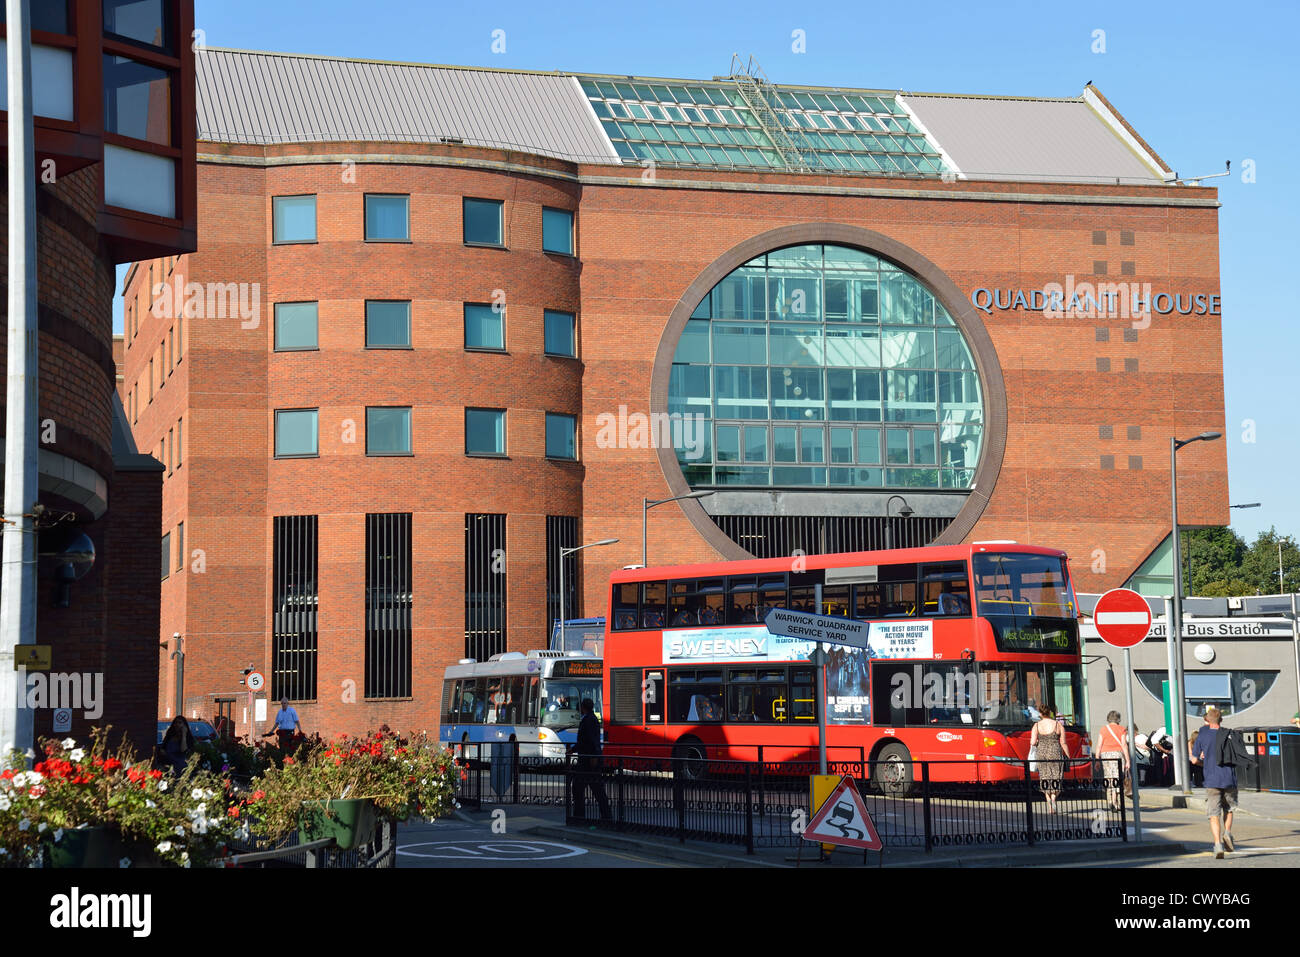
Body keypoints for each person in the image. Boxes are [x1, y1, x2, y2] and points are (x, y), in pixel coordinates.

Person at [1190, 708, 1236, 858]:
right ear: (1221, 720)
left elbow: (1194, 760)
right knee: (1229, 809)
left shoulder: (1202, 736)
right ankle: (1227, 832)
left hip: (1211, 779)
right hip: (1229, 778)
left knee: (1213, 813)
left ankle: (1217, 844)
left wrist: (1205, 764)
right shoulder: (1229, 734)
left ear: (1207, 720)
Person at [568, 698, 611, 822]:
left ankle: (580, 816)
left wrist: (592, 757)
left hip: (588, 761)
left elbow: (589, 741)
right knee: (593, 789)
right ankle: (605, 816)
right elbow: (588, 740)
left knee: (582, 788)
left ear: (583, 707)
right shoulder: (591, 719)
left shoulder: (588, 720)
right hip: (588, 759)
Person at [1031, 707, 1069, 814]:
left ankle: (1050, 806)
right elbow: (1063, 743)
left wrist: (1040, 742)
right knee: (1056, 778)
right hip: (1055, 753)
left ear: (1040, 714)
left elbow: (1033, 742)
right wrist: (1068, 756)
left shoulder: (1036, 725)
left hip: (1042, 755)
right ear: (1050, 713)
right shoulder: (1058, 725)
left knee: (1045, 778)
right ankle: (1053, 799)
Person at [1095, 710, 1129, 810]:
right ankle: (1114, 801)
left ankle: (1109, 800)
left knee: (1109, 777)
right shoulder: (1122, 729)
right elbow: (1124, 745)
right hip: (1117, 754)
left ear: (1108, 718)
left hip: (1105, 754)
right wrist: (1128, 760)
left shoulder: (1103, 729)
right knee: (1117, 778)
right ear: (1118, 719)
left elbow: (1099, 745)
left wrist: (1097, 759)